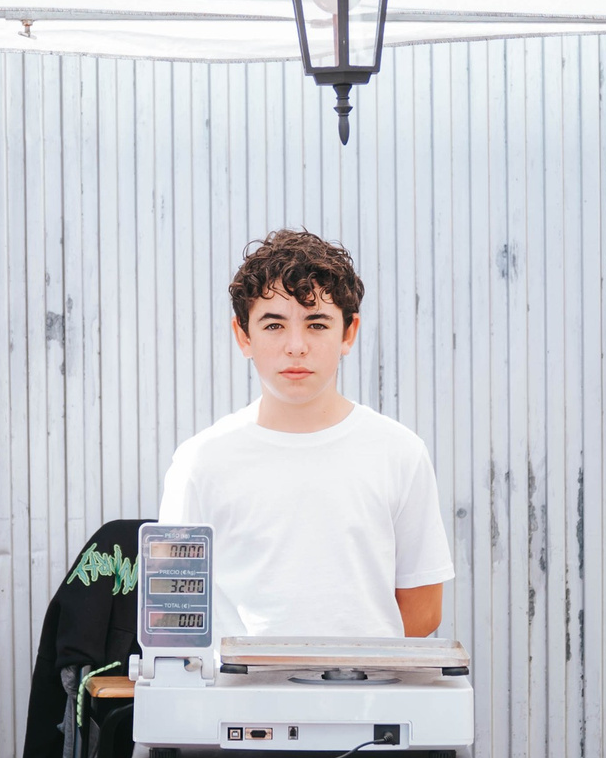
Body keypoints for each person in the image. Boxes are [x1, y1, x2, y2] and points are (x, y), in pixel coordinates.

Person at [157, 230, 454, 642]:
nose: (296, 346)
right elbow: (175, 614)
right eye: (274, 324)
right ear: (244, 336)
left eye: (317, 324)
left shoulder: (400, 453)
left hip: (369, 698)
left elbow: (423, 610)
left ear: (348, 333)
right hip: (236, 702)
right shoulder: (200, 462)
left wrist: (344, 670)